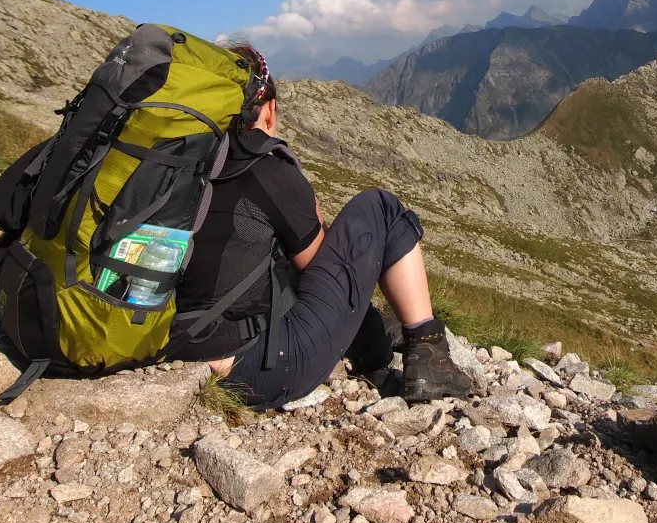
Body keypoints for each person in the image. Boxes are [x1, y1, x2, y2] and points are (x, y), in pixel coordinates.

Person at [168, 43, 472, 408]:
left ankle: (381, 341)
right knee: (380, 207)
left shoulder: (178, 167)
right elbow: (323, 274)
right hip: (253, 370)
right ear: (269, 108)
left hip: (172, 350)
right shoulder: (267, 170)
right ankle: (429, 355)